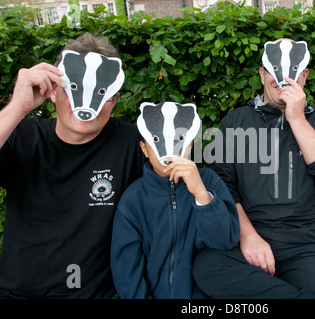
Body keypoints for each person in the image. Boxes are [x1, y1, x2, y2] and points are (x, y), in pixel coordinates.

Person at [192, 38, 315, 299]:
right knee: (207, 267)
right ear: (262, 74)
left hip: (306, 245)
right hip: (249, 237)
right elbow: (221, 185)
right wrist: (248, 236)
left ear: (304, 76)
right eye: (274, 72)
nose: (283, 79)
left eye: (294, 73)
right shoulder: (236, 121)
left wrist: (297, 119)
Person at [0, 32, 145, 298]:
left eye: (103, 93)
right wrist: (17, 108)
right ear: (54, 91)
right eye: (73, 89)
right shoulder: (21, 136)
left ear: (114, 99)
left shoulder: (132, 143)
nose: (89, 106)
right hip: (20, 293)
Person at [110, 101, 240, 299]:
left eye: (179, 140)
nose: (168, 151)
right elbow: (126, 269)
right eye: (155, 140)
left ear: (190, 145)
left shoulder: (209, 181)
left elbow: (225, 240)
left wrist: (202, 195)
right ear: (144, 149)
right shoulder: (133, 199)